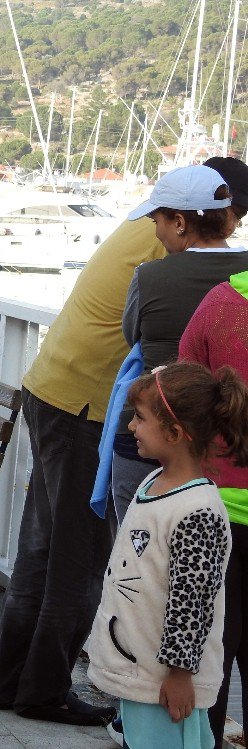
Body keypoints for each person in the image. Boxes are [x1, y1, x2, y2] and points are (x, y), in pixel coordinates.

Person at [0, 155, 248, 727]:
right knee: (78, 562)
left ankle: (10, 683)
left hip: (51, 382)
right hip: (84, 401)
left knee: (40, 549)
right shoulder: (184, 257)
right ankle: (44, 691)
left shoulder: (145, 231)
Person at [88, 361, 248, 749]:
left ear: (175, 432)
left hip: (166, 685)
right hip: (142, 670)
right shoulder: (152, 481)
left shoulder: (198, 511)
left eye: (140, 419)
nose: (131, 427)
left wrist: (179, 676)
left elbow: (192, 601)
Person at [112, 163, 248, 524]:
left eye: (157, 220)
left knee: (141, 559)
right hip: (231, 446)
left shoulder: (150, 275)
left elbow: (133, 336)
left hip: (157, 434)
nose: (156, 233)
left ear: (179, 222)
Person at [179, 270, 248, 748]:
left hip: (216, 506)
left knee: (213, 650)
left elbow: (185, 397)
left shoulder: (220, 305)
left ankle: (207, 740)